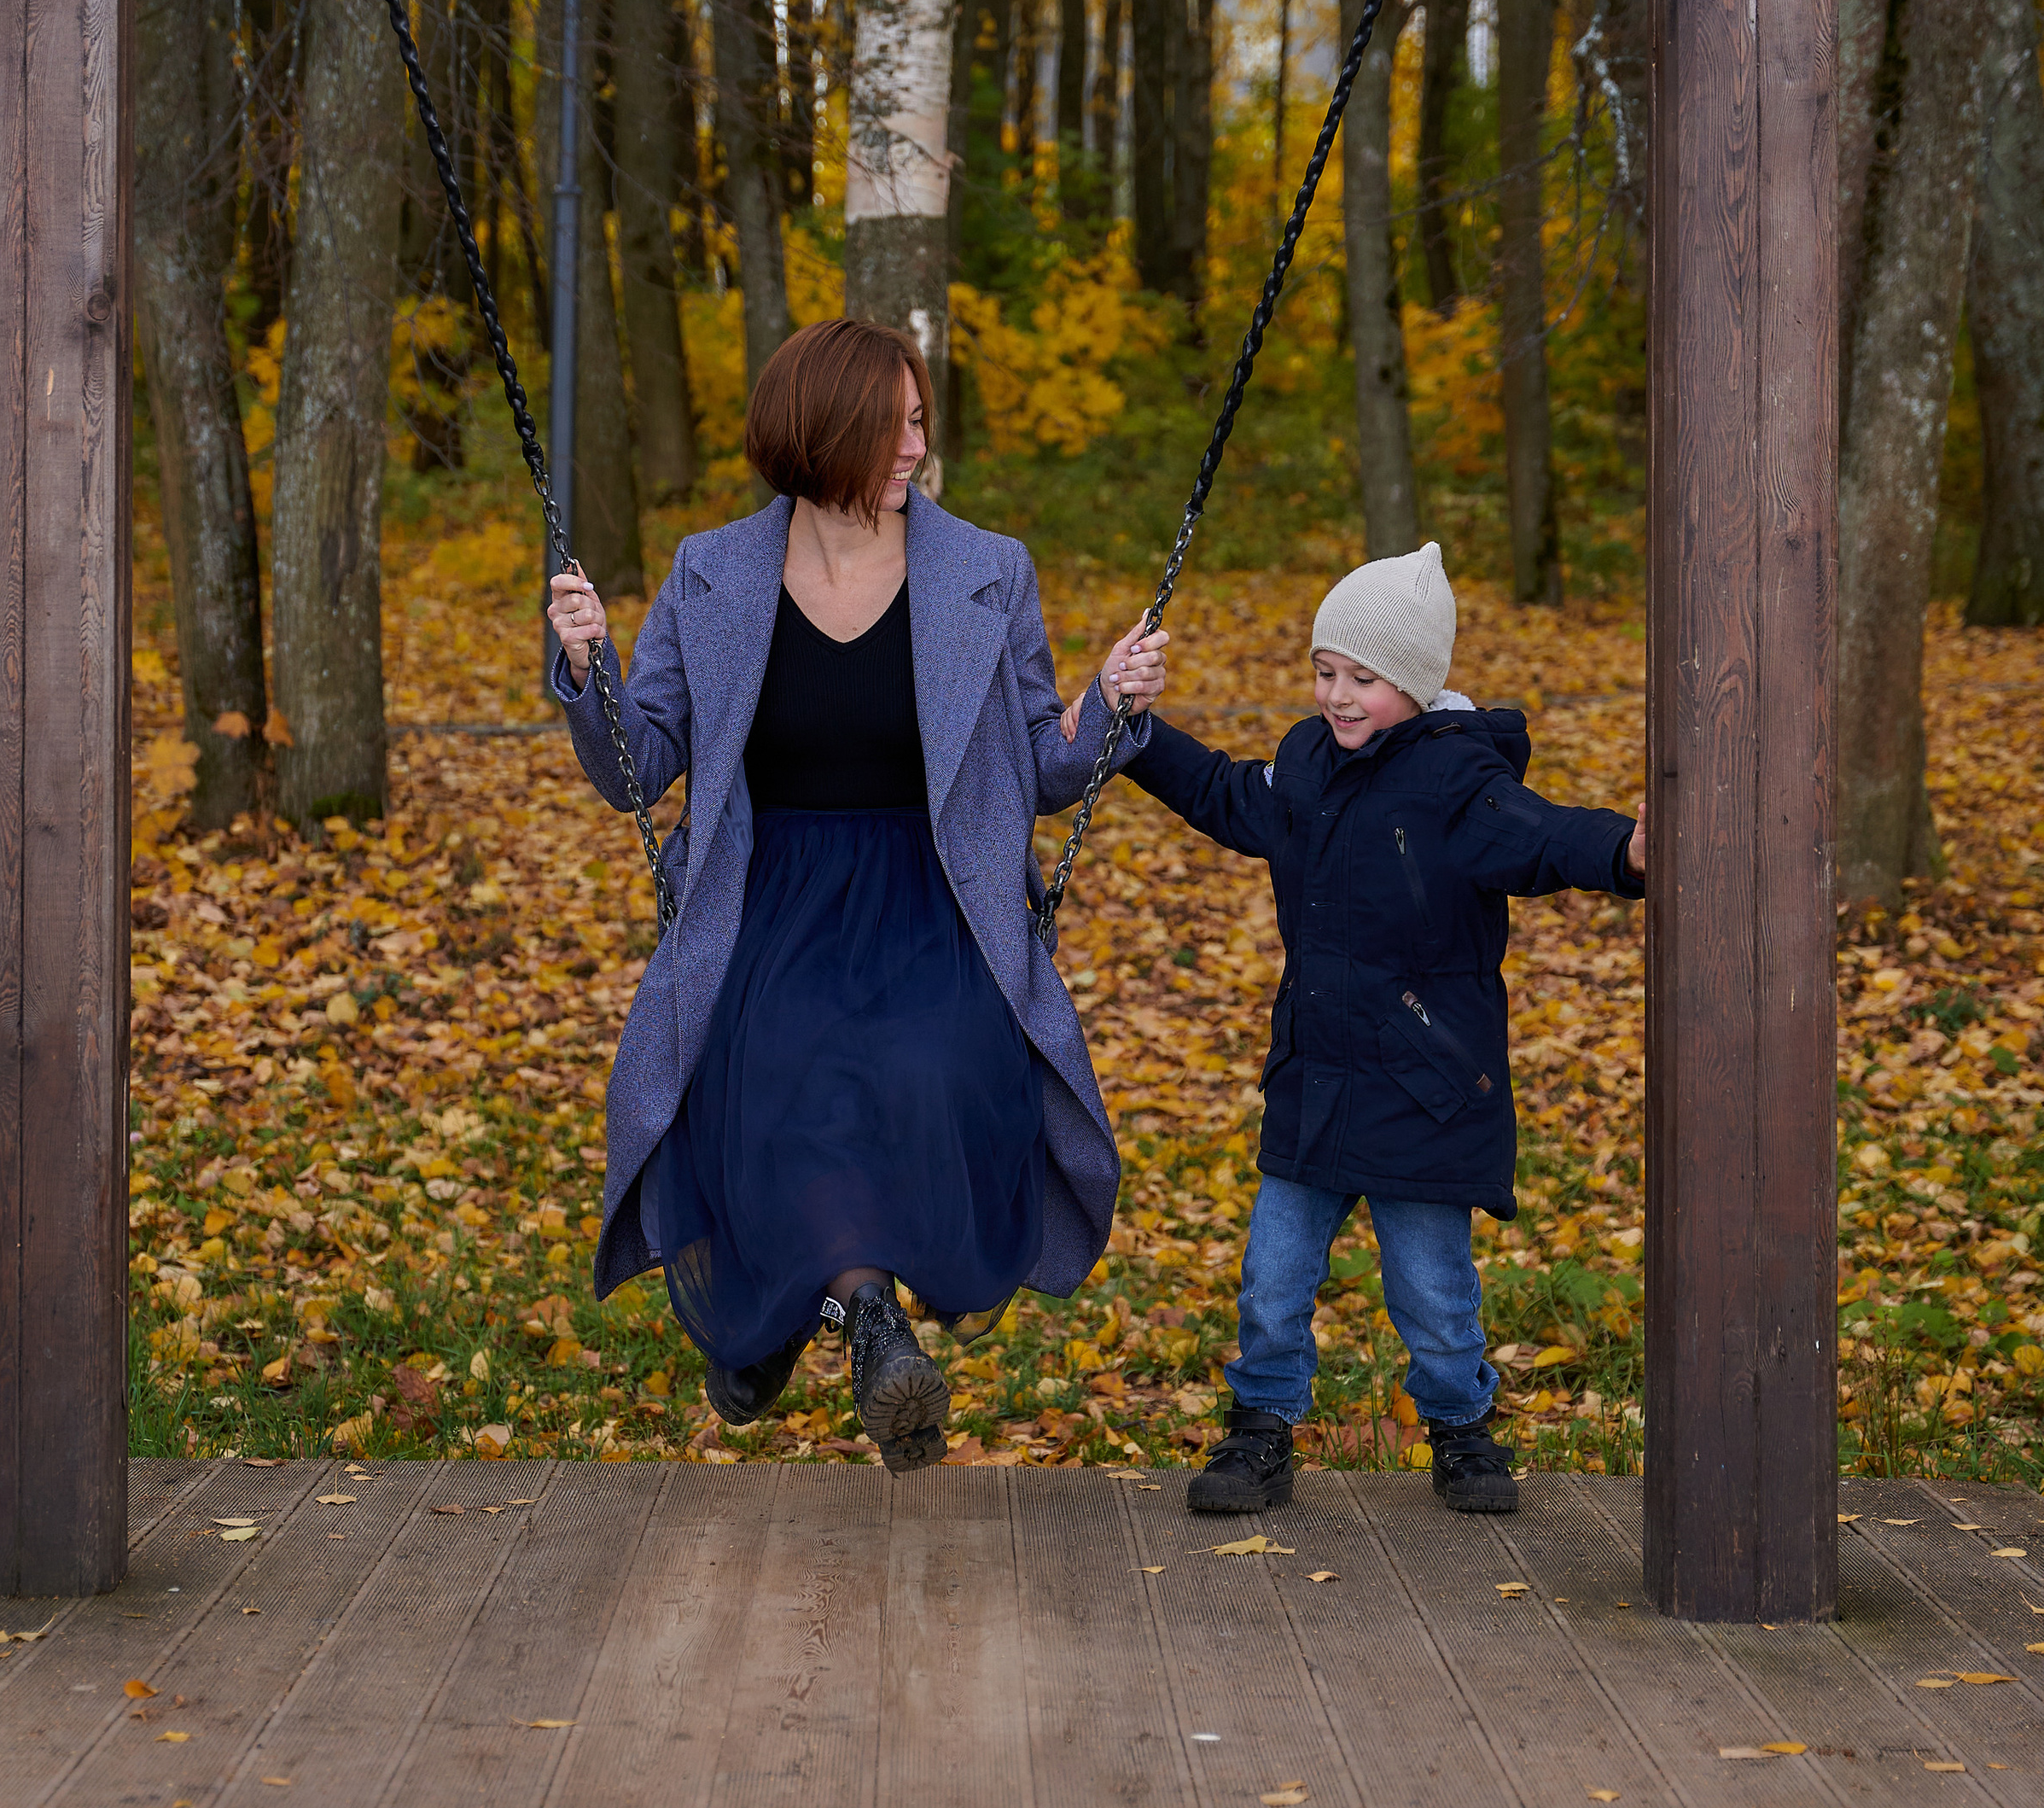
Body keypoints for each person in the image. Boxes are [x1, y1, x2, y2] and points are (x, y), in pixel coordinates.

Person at [545, 318, 1168, 1470]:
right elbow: (637, 762)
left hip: (933, 900)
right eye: (898, 423)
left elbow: (1041, 767)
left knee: (932, 1072)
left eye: (922, 421)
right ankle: (862, 1323)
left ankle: (813, 1311)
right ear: (826, 430)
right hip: (765, 896)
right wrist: (589, 670)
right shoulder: (713, 572)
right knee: (776, 1072)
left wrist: (1111, 703)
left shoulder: (986, 569)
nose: (917, 447)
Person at [1124, 538, 1646, 1519]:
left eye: (1363, 676)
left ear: (1413, 680)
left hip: (1425, 1083)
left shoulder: (1457, 784)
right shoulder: (1306, 765)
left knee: (1432, 1290)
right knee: (1271, 1280)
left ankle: (1460, 1428)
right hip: (1317, 1072)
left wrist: (1626, 850)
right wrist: (1142, 736)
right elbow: (1228, 796)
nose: (1338, 694)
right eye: (1326, 671)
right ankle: (1260, 1430)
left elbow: (1541, 838)